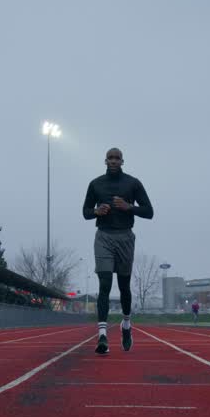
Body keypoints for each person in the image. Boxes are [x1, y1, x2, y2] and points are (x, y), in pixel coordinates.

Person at [82, 147, 154, 354]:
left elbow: (149, 212)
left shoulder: (133, 183)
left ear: (122, 161)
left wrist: (128, 207)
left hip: (125, 237)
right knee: (104, 284)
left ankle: (126, 324)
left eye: (117, 158)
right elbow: (85, 212)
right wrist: (96, 211)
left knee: (124, 287)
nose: (113, 161)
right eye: (110, 158)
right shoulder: (95, 184)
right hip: (103, 237)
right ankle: (102, 336)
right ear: (105, 161)